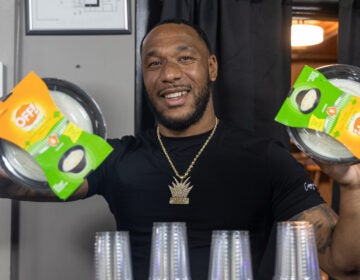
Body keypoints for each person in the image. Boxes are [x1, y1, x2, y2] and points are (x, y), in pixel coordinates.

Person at [1, 18, 360, 280]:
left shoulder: (266, 158)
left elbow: (340, 263)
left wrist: (354, 185)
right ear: (144, 77)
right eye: (154, 63)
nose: (169, 73)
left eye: (185, 58)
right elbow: (16, 181)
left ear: (212, 67)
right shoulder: (116, 157)